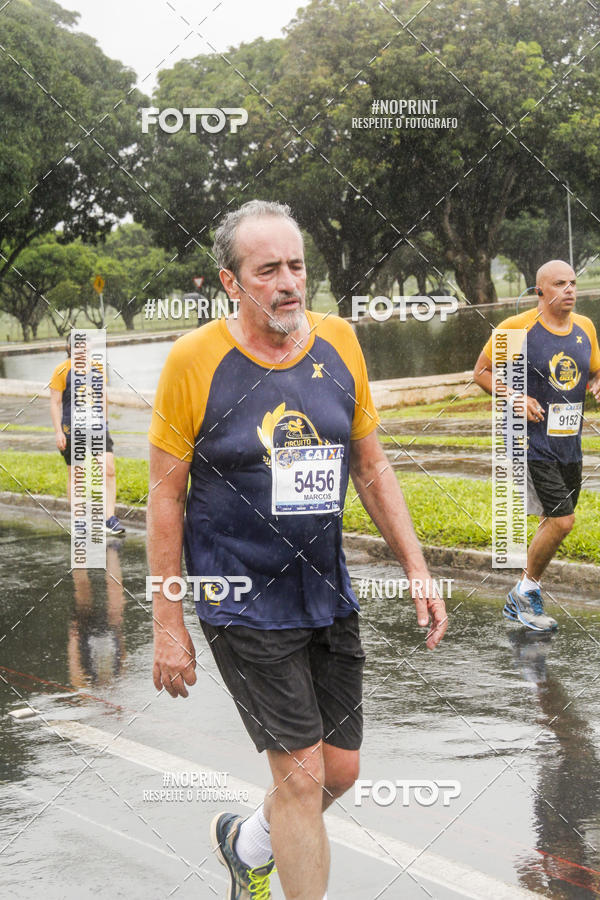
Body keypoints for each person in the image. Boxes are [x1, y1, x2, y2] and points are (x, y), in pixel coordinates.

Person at [147, 199, 447, 900]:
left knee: (338, 771)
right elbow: (164, 498)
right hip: (241, 599)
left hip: (326, 591)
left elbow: (371, 467)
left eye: (296, 265)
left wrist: (418, 569)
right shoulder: (195, 361)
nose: (287, 282)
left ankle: (245, 843)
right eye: (267, 270)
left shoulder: (339, 341)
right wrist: (169, 622)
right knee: (302, 776)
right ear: (231, 283)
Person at [474, 259, 600, 632]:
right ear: (540, 290)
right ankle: (524, 592)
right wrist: (513, 395)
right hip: (532, 443)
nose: (570, 291)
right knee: (563, 521)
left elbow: (594, 369)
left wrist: (597, 383)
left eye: (573, 283)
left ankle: (524, 598)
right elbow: (481, 371)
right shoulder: (518, 327)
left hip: (569, 444)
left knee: (551, 521)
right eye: (560, 284)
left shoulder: (585, 327)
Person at [50, 333, 125, 536]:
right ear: (69, 348)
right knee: (76, 475)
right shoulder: (61, 371)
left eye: (86, 347)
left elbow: (102, 397)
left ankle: (109, 519)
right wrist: (58, 431)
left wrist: (105, 422)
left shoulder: (97, 368)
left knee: (108, 469)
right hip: (71, 429)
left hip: (97, 427)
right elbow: (55, 403)